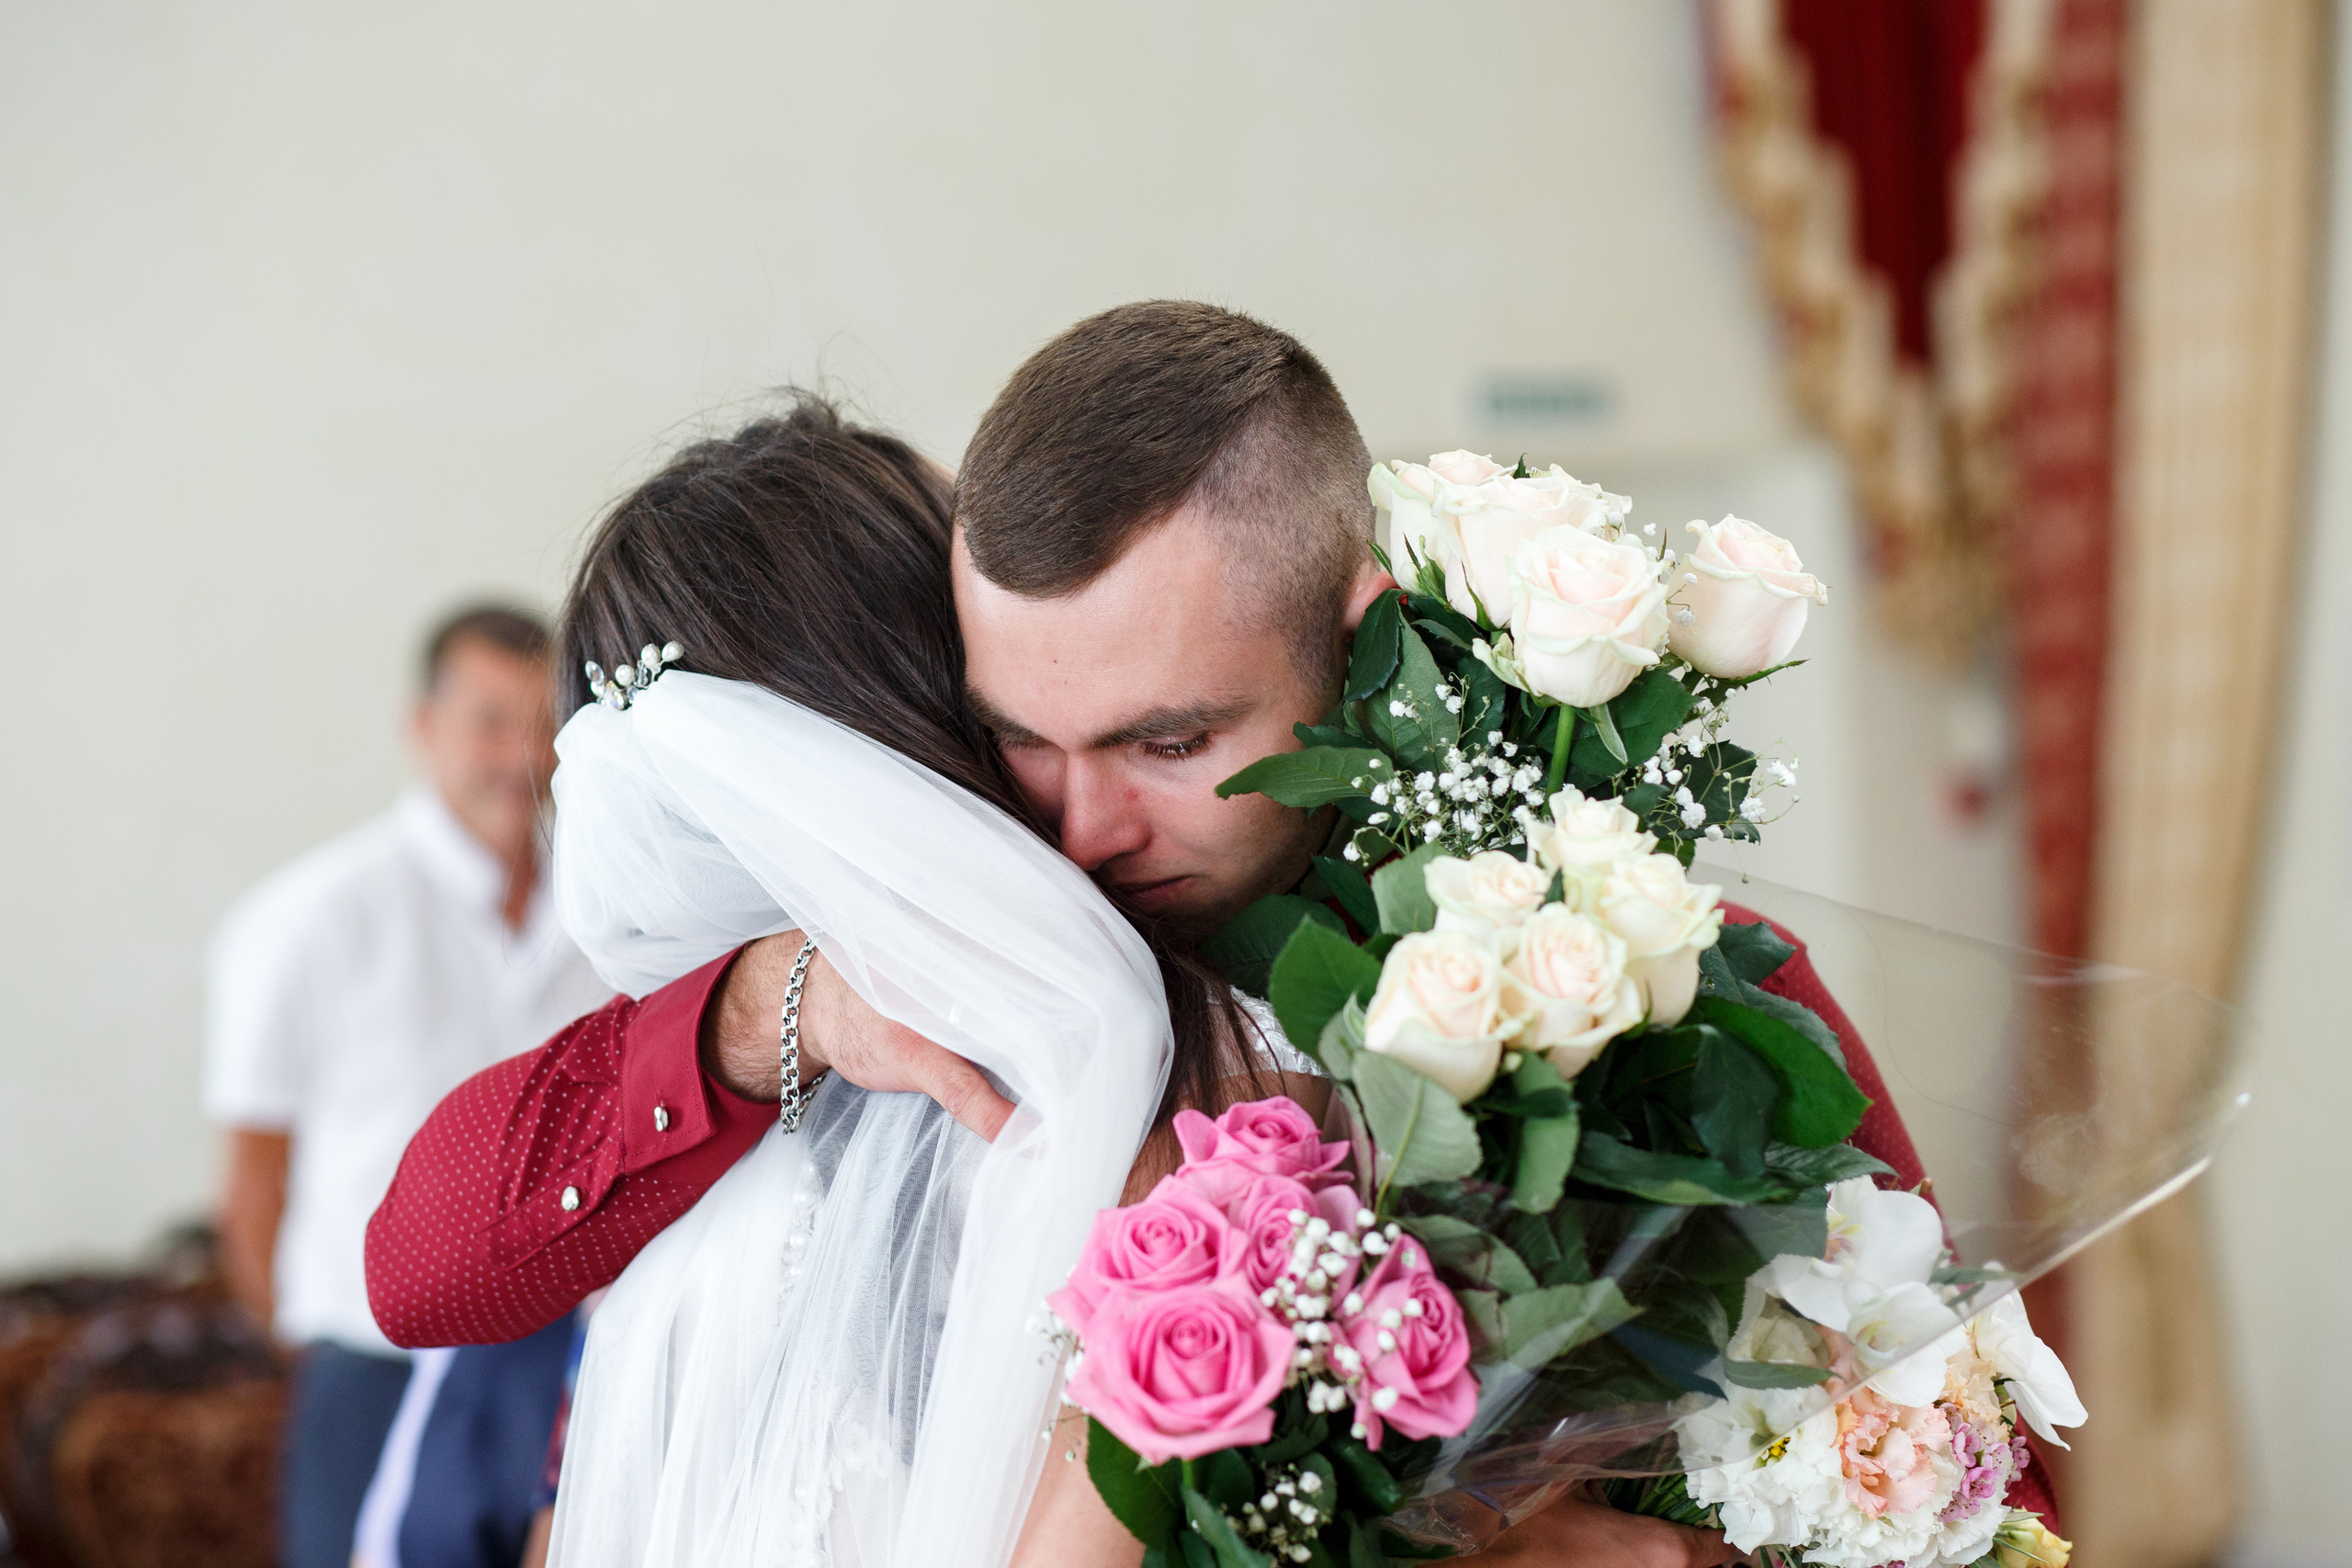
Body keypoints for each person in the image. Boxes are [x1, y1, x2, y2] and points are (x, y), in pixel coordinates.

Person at [368, 306, 2052, 1559]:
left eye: (1169, 741)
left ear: (1346, 651)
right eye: (1023, 741)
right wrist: (764, 1008)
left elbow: (1984, 1486)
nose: (1079, 822)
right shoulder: (796, 1085)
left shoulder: (1626, 982)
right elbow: (423, 1265)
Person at [205, 605, 612, 1568]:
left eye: (544, 721)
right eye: (490, 722)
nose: (523, 754)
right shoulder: (309, 920)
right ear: (423, 727)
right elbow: (254, 1184)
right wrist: (323, 1347)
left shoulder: (615, 907)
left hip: (570, 1363)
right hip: (372, 1365)